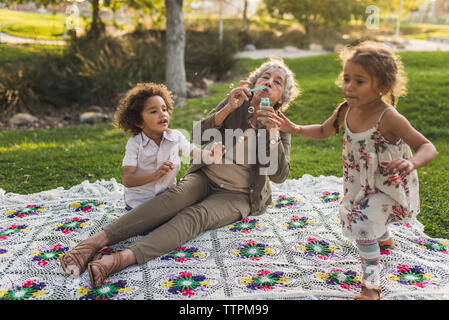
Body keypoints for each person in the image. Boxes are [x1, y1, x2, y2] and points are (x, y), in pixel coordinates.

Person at [60, 58, 300, 289]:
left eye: (277, 82)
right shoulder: (236, 104)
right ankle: (92, 244)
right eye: (265, 77)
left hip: (238, 195)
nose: (269, 82)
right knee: (173, 198)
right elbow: (198, 136)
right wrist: (228, 107)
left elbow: (279, 176)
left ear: (282, 98)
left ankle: (117, 260)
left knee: (195, 217)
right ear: (254, 83)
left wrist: (273, 136)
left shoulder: (280, 126)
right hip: (207, 175)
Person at [264, 41, 437, 300]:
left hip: (388, 184)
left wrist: (411, 163)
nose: (349, 87)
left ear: (382, 86)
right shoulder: (347, 109)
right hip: (362, 182)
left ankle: (371, 286)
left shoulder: (389, 117)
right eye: (346, 79)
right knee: (364, 210)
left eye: (359, 81)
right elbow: (324, 130)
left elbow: (426, 146)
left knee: (364, 224)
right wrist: (296, 129)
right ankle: (384, 237)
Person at [114, 82, 194, 210]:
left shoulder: (175, 137)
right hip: (139, 203)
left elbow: (193, 151)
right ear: (139, 122)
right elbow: (128, 180)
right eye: (153, 111)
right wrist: (155, 175)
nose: (162, 114)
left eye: (164, 109)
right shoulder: (135, 144)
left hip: (166, 199)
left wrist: (211, 153)